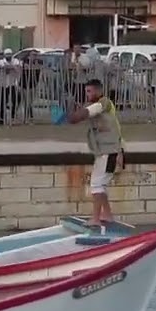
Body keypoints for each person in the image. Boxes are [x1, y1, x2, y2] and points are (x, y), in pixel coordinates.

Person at [58, 78, 123, 229]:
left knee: (96, 185)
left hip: (108, 152)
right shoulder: (95, 105)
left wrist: (69, 117)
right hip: (106, 152)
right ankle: (107, 215)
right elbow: (83, 113)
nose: (87, 94)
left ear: (99, 91)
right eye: (86, 91)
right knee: (101, 184)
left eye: (89, 91)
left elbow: (85, 113)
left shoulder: (104, 103)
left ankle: (96, 219)